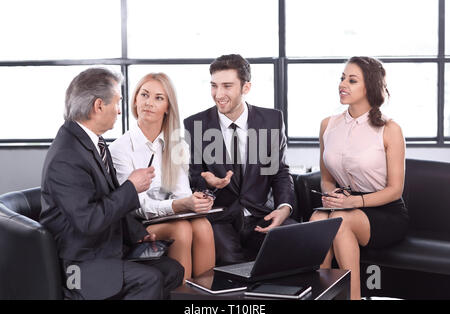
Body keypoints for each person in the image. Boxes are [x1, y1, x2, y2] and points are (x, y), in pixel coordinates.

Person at [40, 68, 184, 300]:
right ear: (98, 106)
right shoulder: (66, 156)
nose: (119, 110)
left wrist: (138, 234)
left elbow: (105, 199)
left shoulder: (92, 142)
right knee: (151, 279)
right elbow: (88, 221)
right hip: (80, 264)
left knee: (172, 270)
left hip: (103, 249)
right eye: (117, 103)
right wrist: (131, 187)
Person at [310, 56, 409, 300]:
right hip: (343, 204)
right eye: (342, 78)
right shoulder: (327, 125)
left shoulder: (390, 129)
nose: (343, 84)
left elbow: (395, 190)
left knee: (341, 220)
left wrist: (353, 202)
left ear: (370, 87)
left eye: (352, 80)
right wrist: (331, 193)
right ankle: (320, 296)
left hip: (384, 211)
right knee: (316, 219)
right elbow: (326, 178)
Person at [183, 54, 296, 266]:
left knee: (295, 244)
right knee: (229, 261)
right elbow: (192, 179)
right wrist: (207, 182)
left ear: (246, 88)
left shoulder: (271, 120)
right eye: (214, 86)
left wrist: (283, 207)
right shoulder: (195, 124)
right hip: (220, 218)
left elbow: (280, 171)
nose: (219, 94)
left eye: (227, 86)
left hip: (261, 212)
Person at [110, 73, 215, 282]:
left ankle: (205, 299)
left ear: (168, 107)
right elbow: (135, 206)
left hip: (167, 216)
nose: (149, 103)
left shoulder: (176, 145)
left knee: (203, 225)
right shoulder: (119, 149)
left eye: (159, 98)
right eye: (144, 95)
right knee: (182, 229)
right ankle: (180, 295)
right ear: (135, 100)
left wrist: (195, 203)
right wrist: (178, 205)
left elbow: (182, 193)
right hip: (138, 225)